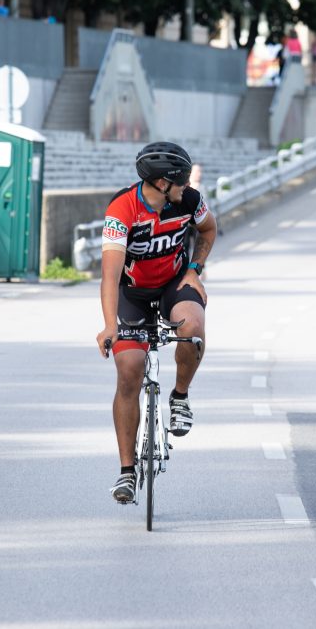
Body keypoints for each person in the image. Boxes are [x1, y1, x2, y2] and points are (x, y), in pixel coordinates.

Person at [96, 142, 217, 504]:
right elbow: (109, 275)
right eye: (182, 180)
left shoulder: (189, 201)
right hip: (132, 293)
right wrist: (110, 325)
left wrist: (194, 269)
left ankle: (179, 397)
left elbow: (209, 230)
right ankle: (127, 471)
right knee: (129, 370)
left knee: (192, 328)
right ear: (163, 183)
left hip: (174, 284)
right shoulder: (122, 209)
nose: (187, 186)